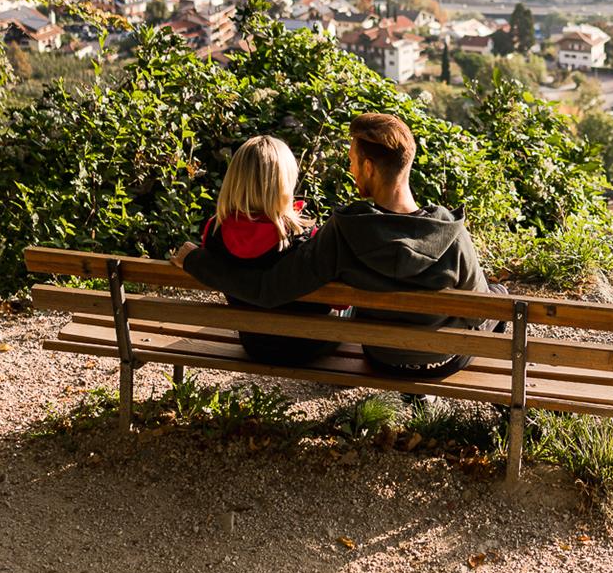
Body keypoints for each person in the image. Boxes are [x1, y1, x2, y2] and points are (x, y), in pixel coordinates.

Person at [175, 113, 497, 378]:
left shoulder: (345, 230)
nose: (351, 169)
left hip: (382, 358)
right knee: (498, 298)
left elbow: (269, 288)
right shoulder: (451, 233)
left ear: (369, 167)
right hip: (442, 363)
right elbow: (479, 312)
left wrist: (197, 261)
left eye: (353, 161)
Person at [195, 135, 342, 366]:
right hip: (309, 344)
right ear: (284, 183)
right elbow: (340, 302)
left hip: (254, 344)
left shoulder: (215, 230)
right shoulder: (304, 235)